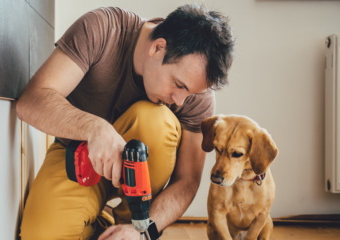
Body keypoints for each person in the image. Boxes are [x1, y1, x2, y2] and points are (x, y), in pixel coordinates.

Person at [17, 3, 235, 240]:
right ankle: (103, 221)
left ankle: (129, 227)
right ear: (158, 47)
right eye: (178, 85)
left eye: (190, 93)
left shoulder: (195, 91)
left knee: (155, 119)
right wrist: (95, 128)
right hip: (80, 153)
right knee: (40, 235)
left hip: (141, 184)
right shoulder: (103, 29)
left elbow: (188, 180)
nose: (180, 101)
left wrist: (144, 231)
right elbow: (31, 101)